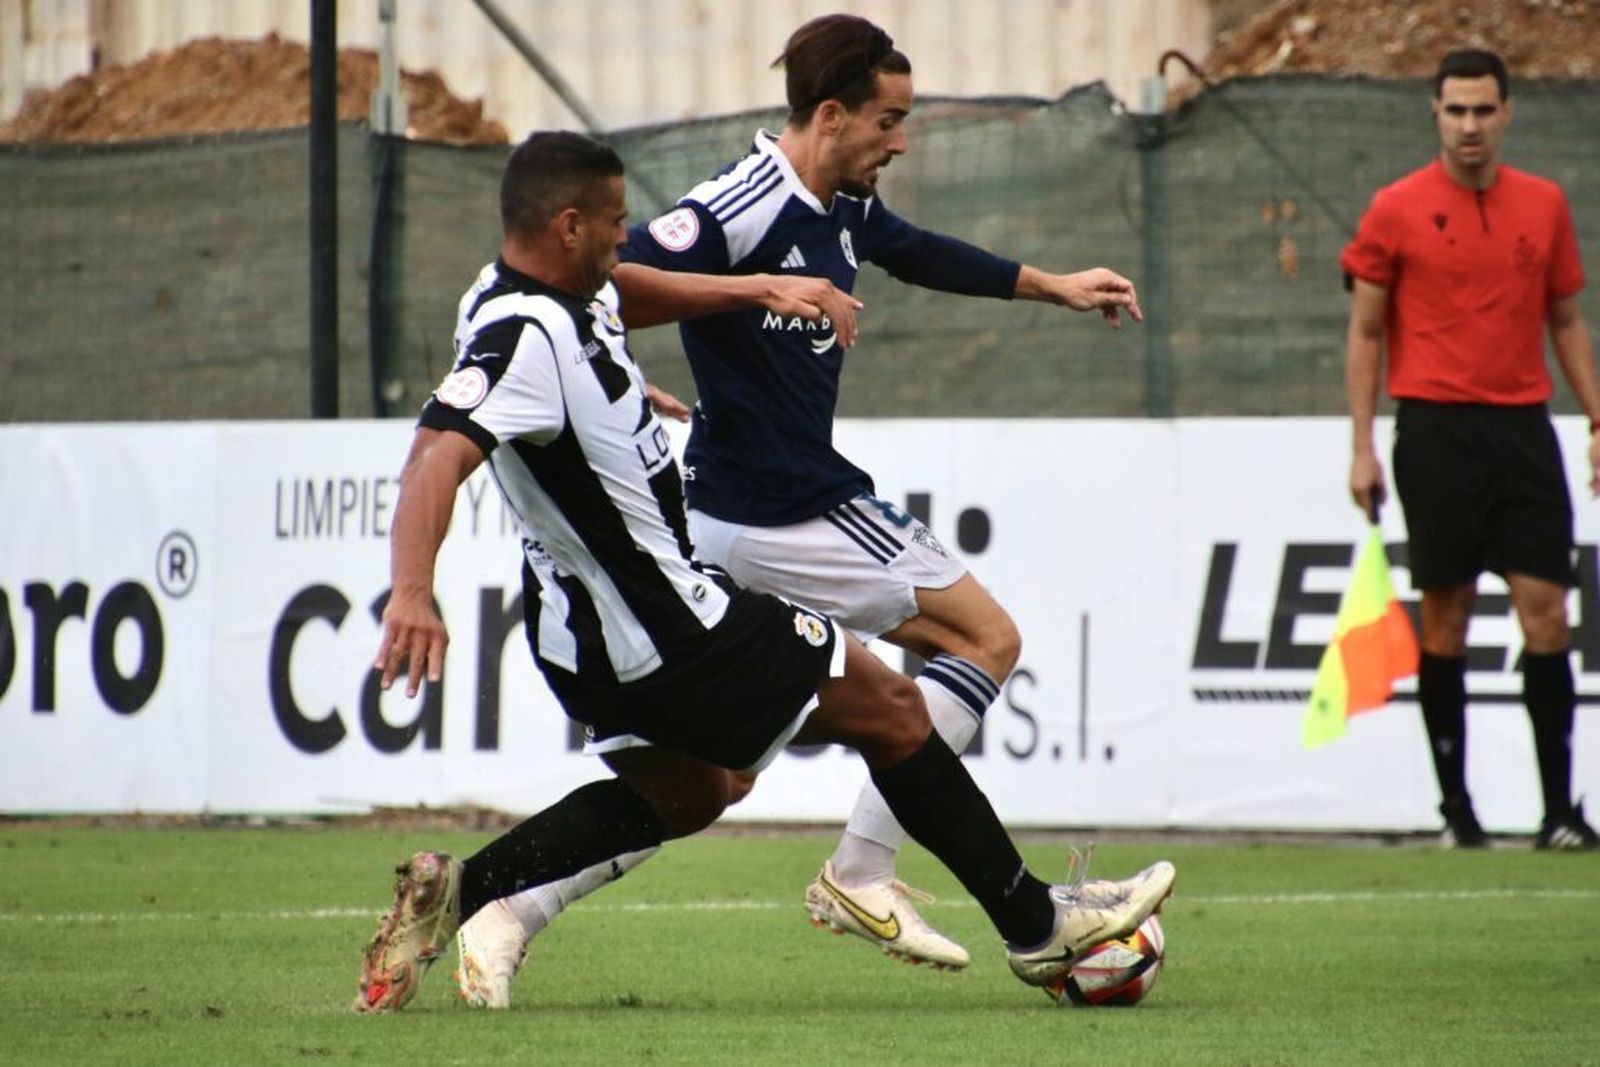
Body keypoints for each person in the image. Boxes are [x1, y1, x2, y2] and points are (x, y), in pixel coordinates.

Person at [352, 130, 1175, 1014]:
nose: (628, 238)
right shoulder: (527, 335)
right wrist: (411, 591)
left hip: (584, 646)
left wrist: (654, 367)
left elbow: (619, 302)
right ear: (567, 225)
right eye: (616, 223)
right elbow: (435, 458)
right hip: (674, 630)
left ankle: (462, 893)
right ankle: (1033, 923)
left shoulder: (520, 289)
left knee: (693, 788)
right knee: (893, 710)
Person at [1343, 48, 1600, 851]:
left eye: (1483, 110)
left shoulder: (1545, 204)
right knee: (1446, 622)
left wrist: (1596, 417)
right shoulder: (1395, 207)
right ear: (1435, 113)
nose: (1469, 126)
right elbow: (1364, 329)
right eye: (1455, 110)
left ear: (1507, 112)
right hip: (1434, 430)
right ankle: (1459, 813)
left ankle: (1559, 813)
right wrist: (1361, 446)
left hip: (1525, 429)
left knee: (1548, 614)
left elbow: (1564, 320)